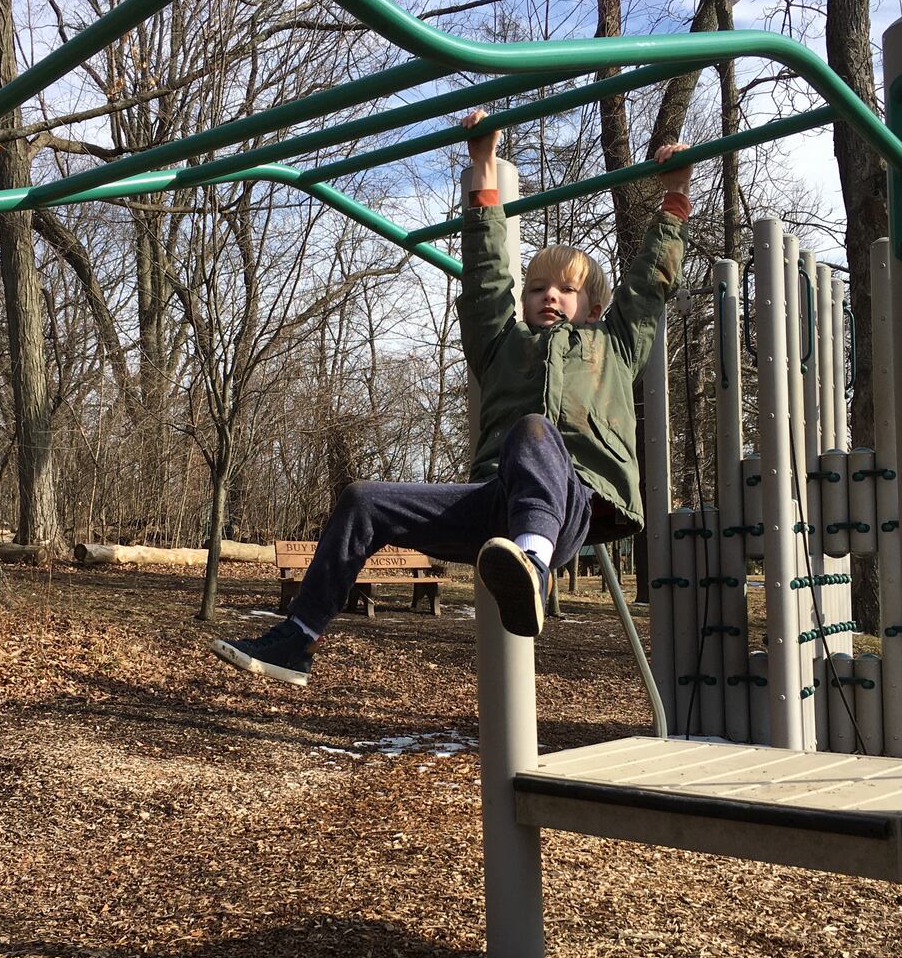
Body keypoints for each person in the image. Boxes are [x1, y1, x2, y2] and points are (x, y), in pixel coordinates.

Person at [211, 111, 692, 685]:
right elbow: (487, 281)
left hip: (576, 504)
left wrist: (675, 199)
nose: (548, 297)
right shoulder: (501, 345)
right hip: (493, 503)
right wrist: (483, 167)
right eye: (537, 287)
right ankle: (296, 639)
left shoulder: (614, 345)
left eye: (567, 289)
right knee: (364, 500)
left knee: (533, 429)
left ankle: (533, 568)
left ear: (593, 307)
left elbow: (649, 285)